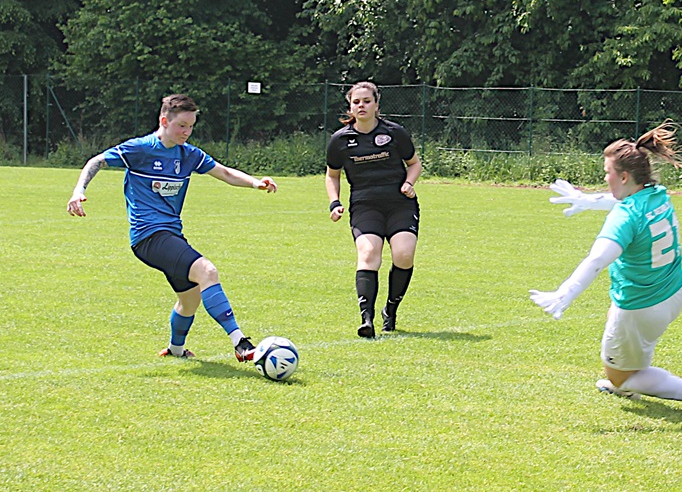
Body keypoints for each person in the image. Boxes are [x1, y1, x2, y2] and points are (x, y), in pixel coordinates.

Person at [529, 120, 682, 411]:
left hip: (640, 307)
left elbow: (597, 259)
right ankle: (632, 369)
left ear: (625, 176)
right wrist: (588, 200)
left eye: (607, 173)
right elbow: (629, 203)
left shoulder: (625, 217)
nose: (605, 178)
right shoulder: (657, 193)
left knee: (619, 378)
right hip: (673, 292)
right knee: (633, 343)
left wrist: (565, 293)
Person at [66, 93, 277, 361]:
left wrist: (255, 182)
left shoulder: (187, 155)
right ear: (164, 120)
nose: (186, 132)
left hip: (169, 235)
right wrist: (78, 190)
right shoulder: (140, 149)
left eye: (190, 126)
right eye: (181, 126)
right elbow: (96, 161)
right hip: (148, 237)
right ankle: (241, 343)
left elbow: (223, 172)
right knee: (207, 271)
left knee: (189, 300)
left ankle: (176, 350)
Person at [325, 82, 422, 338]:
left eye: (367, 101)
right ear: (350, 106)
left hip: (399, 203)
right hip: (365, 205)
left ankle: (390, 309)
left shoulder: (394, 132)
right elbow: (332, 175)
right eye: (357, 102)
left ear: (376, 105)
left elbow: (414, 163)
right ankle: (366, 319)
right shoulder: (340, 140)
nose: (361, 106)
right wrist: (335, 202)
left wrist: (409, 184)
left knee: (403, 254)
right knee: (368, 253)